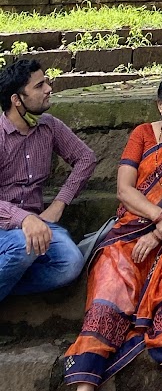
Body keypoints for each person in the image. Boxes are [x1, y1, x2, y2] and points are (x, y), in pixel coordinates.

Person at [61, 70, 162, 390]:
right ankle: (86, 381)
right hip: (133, 226)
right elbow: (124, 189)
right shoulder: (142, 134)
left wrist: (161, 230)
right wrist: (156, 217)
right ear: (159, 105)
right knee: (111, 275)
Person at [0, 55, 96, 302]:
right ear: (16, 100)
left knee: (70, 264)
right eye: (39, 85)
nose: (48, 89)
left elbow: (86, 158)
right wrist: (24, 219)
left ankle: (7, 284)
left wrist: (58, 204)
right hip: (4, 227)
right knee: (24, 246)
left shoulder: (49, 126)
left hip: (40, 224)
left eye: (46, 82)